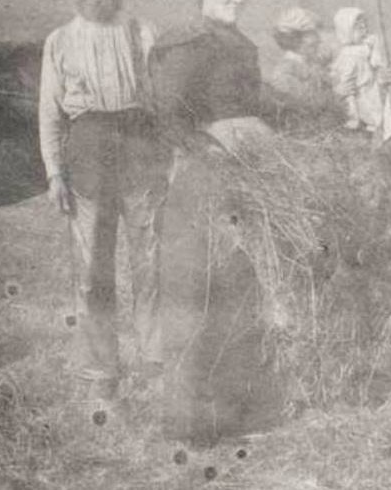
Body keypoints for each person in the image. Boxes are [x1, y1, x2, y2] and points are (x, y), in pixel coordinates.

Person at [148, 0, 285, 445]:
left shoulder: (242, 43)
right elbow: (166, 111)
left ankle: (242, 414)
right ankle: (194, 423)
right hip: (200, 179)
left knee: (243, 289)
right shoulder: (186, 43)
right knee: (196, 293)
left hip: (246, 178)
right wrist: (201, 146)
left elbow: (255, 103)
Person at [38, 0, 171, 410]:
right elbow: (49, 112)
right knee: (92, 270)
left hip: (139, 152)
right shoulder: (60, 41)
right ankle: (102, 372)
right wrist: (55, 173)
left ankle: (157, 361)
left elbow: (163, 104)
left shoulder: (141, 32)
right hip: (88, 155)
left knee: (150, 262)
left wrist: (169, 161)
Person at [268, 7, 336, 126]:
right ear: (295, 38)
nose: (319, 40)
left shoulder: (314, 64)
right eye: (313, 34)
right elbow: (306, 105)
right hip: (302, 131)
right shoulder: (284, 72)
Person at [331, 7, 386, 133]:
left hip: (373, 88)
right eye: (359, 28)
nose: (364, 30)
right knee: (375, 113)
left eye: (365, 26)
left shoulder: (364, 48)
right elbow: (347, 82)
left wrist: (375, 47)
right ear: (346, 31)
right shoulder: (349, 55)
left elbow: (376, 63)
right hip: (362, 93)